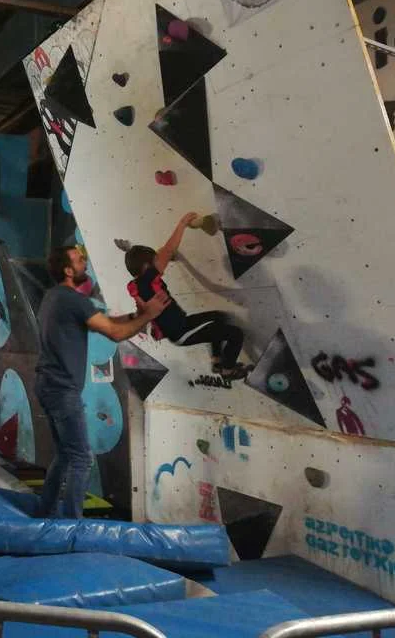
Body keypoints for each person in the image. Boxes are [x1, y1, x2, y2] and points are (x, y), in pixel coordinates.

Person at [36, 246, 170, 519]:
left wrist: (136, 315)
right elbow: (115, 333)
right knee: (82, 459)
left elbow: (103, 322)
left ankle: (45, 512)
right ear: (68, 270)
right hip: (62, 389)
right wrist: (149, 315)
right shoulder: (74, 299)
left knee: (65, 454)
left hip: (47, 385)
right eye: (79, 260)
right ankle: (72, 524)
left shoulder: (54, 296)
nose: (85, 262)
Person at [125, 212, 247, 379]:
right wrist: (183, 223)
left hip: (183, 325)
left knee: (218, 317)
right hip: (182, 333)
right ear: (147, 266)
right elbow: (168, 250)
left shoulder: (140, 285)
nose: (159, 263)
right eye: (155, 261)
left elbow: (163, 255)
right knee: (236, 334)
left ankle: (217, 361)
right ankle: (227, 371)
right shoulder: (147, 281)